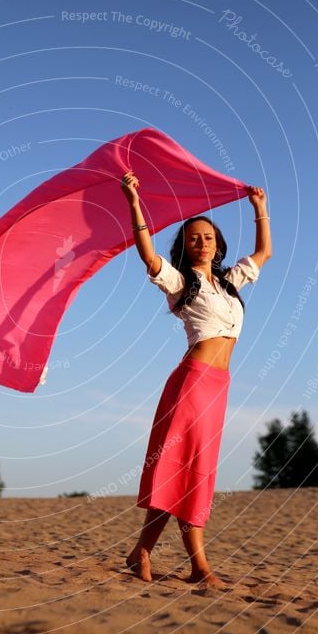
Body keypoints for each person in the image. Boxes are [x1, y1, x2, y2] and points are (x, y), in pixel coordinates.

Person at [120, 170, 272, 587]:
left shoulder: (228, 282)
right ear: (185, 246)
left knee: (193, 472)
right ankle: (200, 568)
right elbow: (149, 257)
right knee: (184, 471)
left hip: (218, 387)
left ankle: (142, 554)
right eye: (193, 237)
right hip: (191, 382)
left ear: (218, 245)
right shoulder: (182, 283)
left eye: (207, 237)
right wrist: (135, 202)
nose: (201, 241)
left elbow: (263, 254)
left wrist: (259, 209)